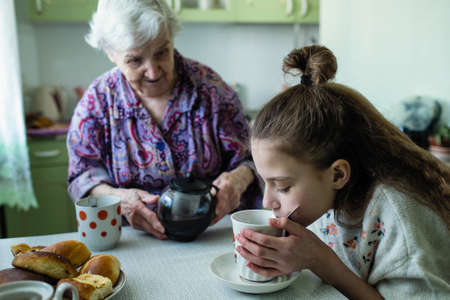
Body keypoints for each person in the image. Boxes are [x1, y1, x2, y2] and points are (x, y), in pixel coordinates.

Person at [235, 45, 450, 299]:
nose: (266, 201)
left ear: (337, 175)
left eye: (282, 186)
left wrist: (320, 260)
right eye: (265, 182)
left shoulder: (401, 217)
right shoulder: (323, 197)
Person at [67, 0, 261, 240]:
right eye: (135, 60)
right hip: (133, 241)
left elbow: (253, 160)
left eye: (161, 52)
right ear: (111, 53)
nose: (153, 71)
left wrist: (239, 180)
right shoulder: (97, 102)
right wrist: (119, 199)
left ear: (171, 38)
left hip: (212, 237)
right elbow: (81, 177)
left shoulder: (212, 91)